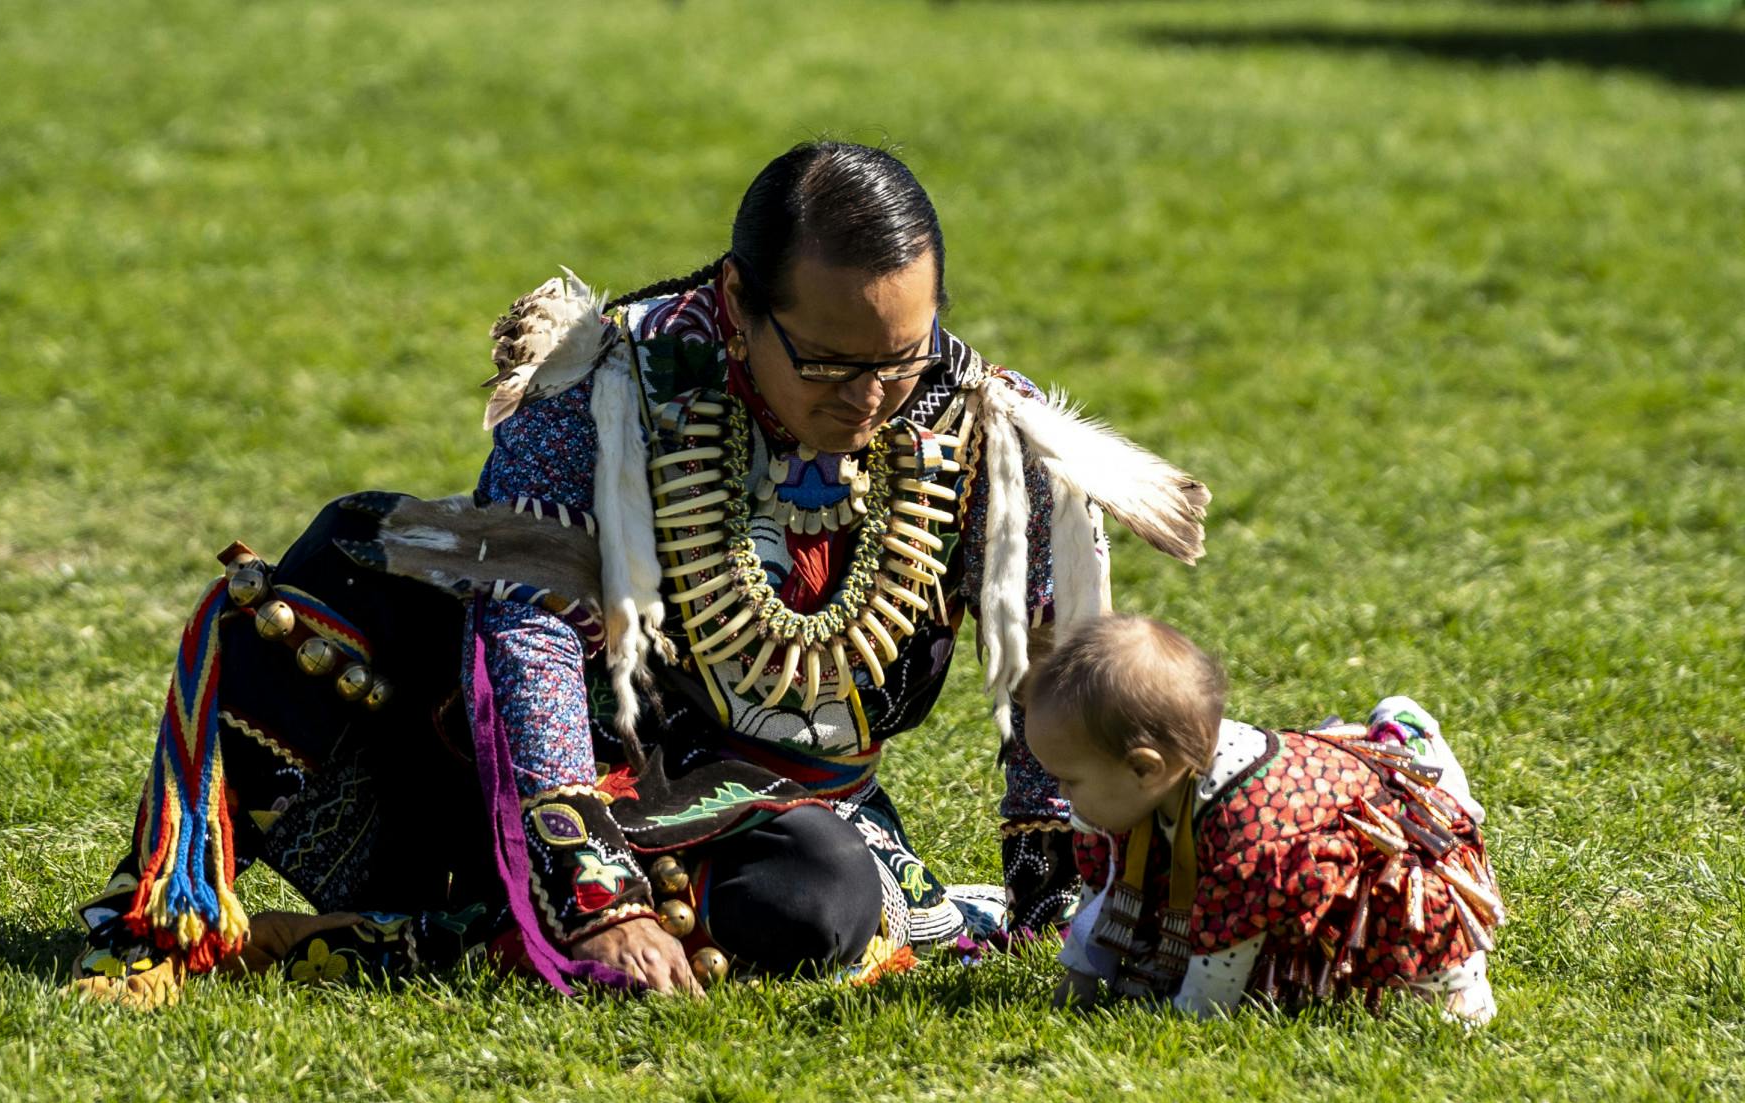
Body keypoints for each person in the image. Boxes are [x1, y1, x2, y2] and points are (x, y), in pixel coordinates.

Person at [68, 140, 1211, 1008]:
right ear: (736, 302)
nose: (866, 400)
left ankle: (402, 941)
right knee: (292, 617)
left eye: (897, 360)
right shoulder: (606, 384)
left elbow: (1047, 664)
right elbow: (523, 628)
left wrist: (1061, 887)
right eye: (823, 361)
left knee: (810, 907)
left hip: (768, 809)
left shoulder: (970, 419)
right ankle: (167, 921)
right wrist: (591, 890)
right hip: (525, 774)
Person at [1023, 614, 1502, 1022]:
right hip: (1289, 816)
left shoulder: (1250, 836)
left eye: (1070, 780)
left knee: (1407, 904)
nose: (1062, 794)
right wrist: (1079, 982)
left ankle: (1460, 983)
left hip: (1384, 838)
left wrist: (1185, 1018)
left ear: (1144, 768)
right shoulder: (1161, 778)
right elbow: (1103, 896)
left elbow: (1215, 985)